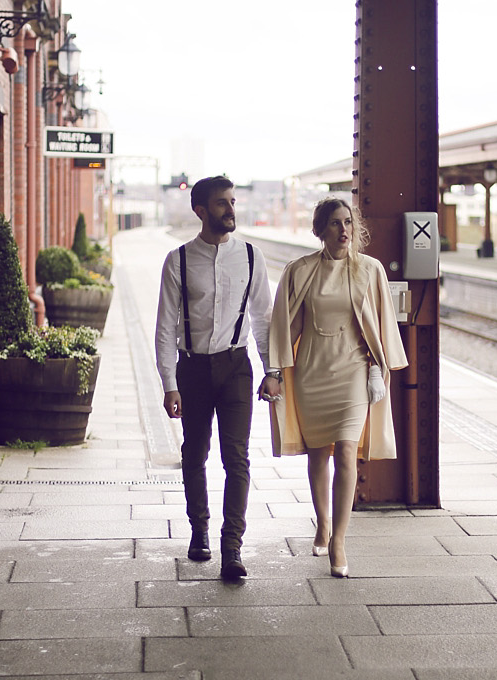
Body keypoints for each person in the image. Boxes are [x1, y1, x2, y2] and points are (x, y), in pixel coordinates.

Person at [268, 197, 407, 577]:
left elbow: (382, 324)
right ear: (319, 230)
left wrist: (378, 369)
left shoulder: (369, 269)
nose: (343, 230)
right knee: (319, 454)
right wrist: (275, 371)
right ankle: (323, 522)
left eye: (348, 222)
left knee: (347, 451)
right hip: (313, 373)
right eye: (334, 223)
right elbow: (287, 326)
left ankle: (340, 539)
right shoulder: (300, 271)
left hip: (353, 373)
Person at [156, 176, 282, 582]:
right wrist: (168, 383)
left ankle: (232, 548)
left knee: (237, 457)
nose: (231, 209)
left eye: (232, 201)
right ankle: (199, 531)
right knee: (194, 454)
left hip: (235, 367)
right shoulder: (177, 260)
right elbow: (164, 327)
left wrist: (272, 371)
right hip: (192, 368)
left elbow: (264, 318)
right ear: (201, 210)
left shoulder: (250, 256)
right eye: (222, 203)